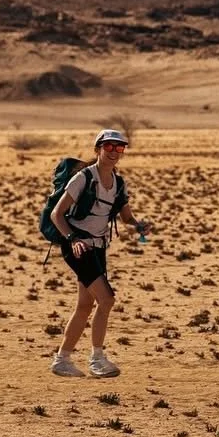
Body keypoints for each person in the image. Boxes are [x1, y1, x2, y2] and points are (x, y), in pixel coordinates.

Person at [48, 129, 152, 378]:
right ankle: (97, 358)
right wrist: (72, 239)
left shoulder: (118, 183)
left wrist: (138, 225)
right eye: (109, 147)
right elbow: (57, 215)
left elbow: (125, 217)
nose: (114, 152)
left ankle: (62, 359)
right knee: (107, 299)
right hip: (77, 247)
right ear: (98, 149)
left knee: (85, 305)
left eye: (120, 148)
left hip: (98, 247)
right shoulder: (83, 178)